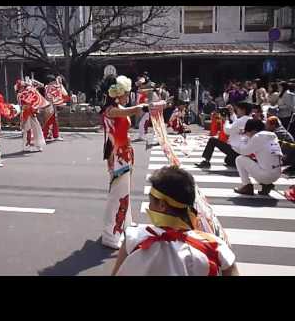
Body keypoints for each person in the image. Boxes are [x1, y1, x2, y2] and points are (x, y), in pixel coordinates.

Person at [112, 166, 238, 276]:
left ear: (162, 205)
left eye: (151, 201)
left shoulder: (133, 238)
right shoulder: (215, 246)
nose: (149, 207)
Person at [100, 75, 147, 249]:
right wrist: (143, 106)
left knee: (124, 191)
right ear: (117, 94)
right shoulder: (111, 110)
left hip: (124, 152)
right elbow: (131, 111)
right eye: (126, 93)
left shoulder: (118, 107)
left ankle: (125, 223)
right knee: (116, 195)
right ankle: (110, 234)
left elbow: (129, 111)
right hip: (116, 154)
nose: (129, 96)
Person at [234, 119, 283, 196]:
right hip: (277, 174)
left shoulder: (258, 137)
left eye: (247, 133)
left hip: (266, 176)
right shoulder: (272, 135)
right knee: (258, 160)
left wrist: (243, 139)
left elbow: (243, 151)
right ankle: (266, 185)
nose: (247, 135)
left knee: (239, 159)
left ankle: (247, 186)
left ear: (253, 131)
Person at [196, 102, 251, 168]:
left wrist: (226, 120)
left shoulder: (240, 121)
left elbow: (227, 131)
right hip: (243, 151)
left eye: (238, 109)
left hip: (236, 149)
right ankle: (238, 162)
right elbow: (235, 123)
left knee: (212, 140)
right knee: (228, 160)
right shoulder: (249, 120)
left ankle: (206, 161)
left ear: (243, 110)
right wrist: (232, 113)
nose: (237, 111)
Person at [15, 78, 47, 152]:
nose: (22, 88)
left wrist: (32, 88)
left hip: (32, 113)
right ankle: (27, 145)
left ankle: (38, 144)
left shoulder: (29, 91)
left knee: (37, 129)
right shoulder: (20, 95)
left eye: (23, 86)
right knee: (27, 130)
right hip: (25, 113)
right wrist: (31, 90)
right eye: (21, 87)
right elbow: (25, 101)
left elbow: (40, 87)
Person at [43, 75, 69, 141]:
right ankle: (45, 136)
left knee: (54, 121)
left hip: (52, 106)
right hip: (49, 106)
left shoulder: (49, 87)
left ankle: (55, 135)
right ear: (51, 82)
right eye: (53, 81)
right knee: (48, 122)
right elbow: (53, 96)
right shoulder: (49, 87)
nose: (55, 82)